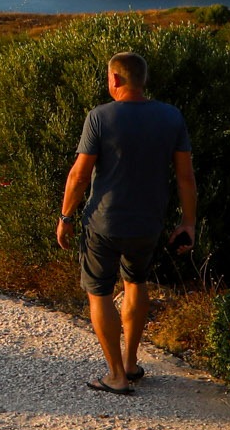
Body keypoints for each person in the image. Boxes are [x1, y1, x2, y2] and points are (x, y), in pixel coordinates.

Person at [56, 50, 196, 395]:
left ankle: (116, 375)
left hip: (103, 223)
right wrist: (188, 223)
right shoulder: (171, 116)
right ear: (142, 79)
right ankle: (132, 363)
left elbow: (79, 175)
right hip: (148, 222)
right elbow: (186, 178)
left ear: (115, 79)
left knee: (100, 292)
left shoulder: (100, 117)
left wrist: (65, 216)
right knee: (136, 283)